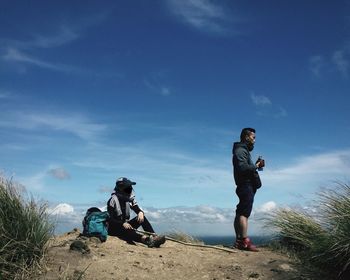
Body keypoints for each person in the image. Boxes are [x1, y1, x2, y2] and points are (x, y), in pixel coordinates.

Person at [107, 177, 166, 248]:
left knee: (141, 218)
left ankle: (154, 237)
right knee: (129, 231)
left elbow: (137, 209)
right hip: (115, 228)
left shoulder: (129, 199)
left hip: (126, 225)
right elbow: (110, 219)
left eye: (130, 187)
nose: (130, 189)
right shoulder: (112, 201)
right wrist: (122, 223)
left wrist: (140, 212)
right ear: (121, 188)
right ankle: (148, 241)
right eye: (128, 188)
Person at [232, 128, 264, 252]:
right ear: (246, 137)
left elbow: (244, 166)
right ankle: (244, 241)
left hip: (245, 184)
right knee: (244, 213)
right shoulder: (240, 150)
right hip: (246, 185)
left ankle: (239, 241)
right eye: (253, 137)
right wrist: (255, 166)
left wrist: (254, 165)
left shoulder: (242, 150)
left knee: (240, 212)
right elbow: (242, 167)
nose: (254, 140)